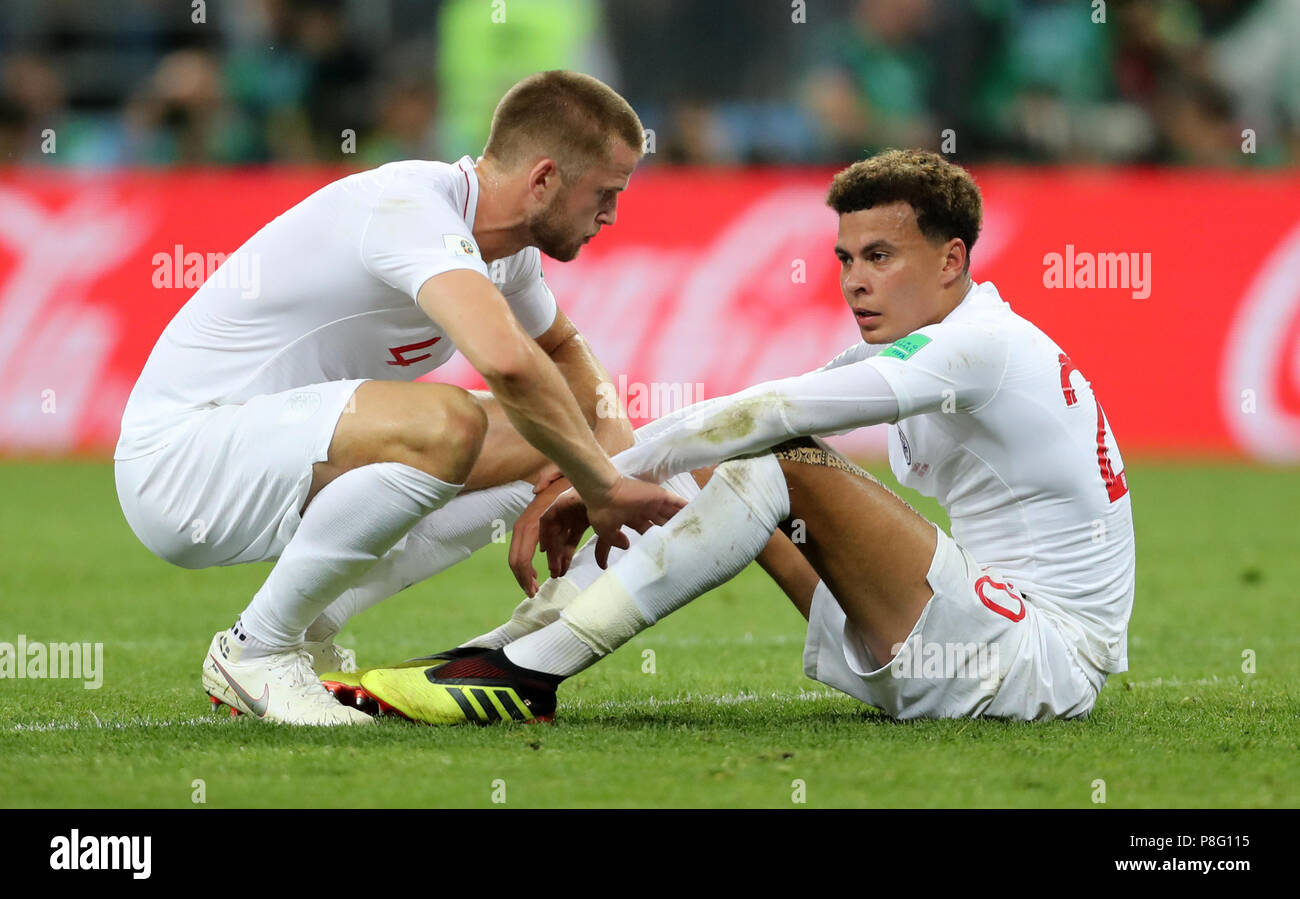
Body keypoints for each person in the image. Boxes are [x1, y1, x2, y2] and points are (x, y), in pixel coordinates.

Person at [354, 148, 1137, 724]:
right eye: (844, 258)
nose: (855, 279)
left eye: (880, 256)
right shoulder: (923, 345)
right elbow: (740, 422)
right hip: (957, 640)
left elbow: (766, 416)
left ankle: (524, 675)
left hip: (1040, 660)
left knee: (773, 455)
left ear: (952, 259)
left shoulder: (983, 343)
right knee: (737, 458)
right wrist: (611, 478)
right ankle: (502, 648)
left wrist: (601, 473)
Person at [113, 70, 685, 725]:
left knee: (549, 435)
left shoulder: (505, 253)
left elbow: (567, 358)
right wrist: (606, 486)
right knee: (451, 423)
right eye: (606, 193)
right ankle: (256, 651)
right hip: (180, 462)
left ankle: (305, 624)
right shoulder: (411, 206)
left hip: (266, 452)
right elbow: (507, 362)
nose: (611, 216)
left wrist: (610, 471)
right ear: (544, 179)